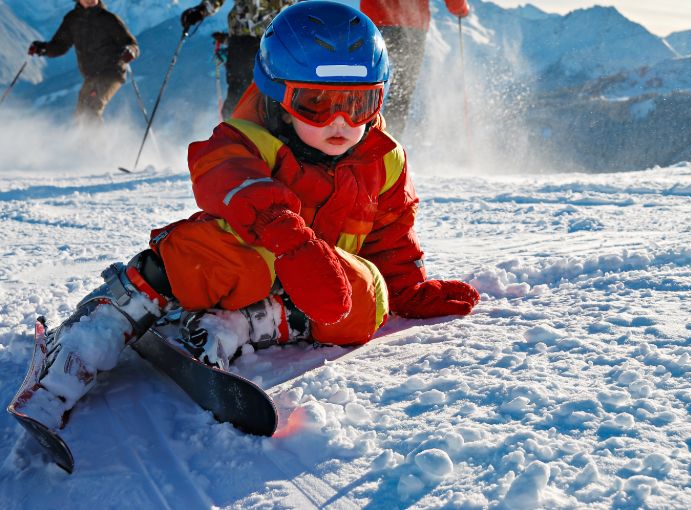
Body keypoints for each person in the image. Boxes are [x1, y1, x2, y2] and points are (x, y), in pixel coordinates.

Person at [16, 1, 480, 431]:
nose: (339, 122)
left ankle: (242, 324)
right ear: (280, 97)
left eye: (359, 103)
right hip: (256, 257)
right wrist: (289, 238)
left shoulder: (386, 161)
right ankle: (108, 318)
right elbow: (228, 177)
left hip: (310, 285)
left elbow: (390, 239)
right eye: (315, 104)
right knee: (227, 253)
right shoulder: (245, 141)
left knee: (365, 297)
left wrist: (407, 290)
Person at [360, 0, 470, 138]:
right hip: (411, 24)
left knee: (365, 85)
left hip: (374, 21)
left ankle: (358, 138)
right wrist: (459, 8)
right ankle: (388, 142)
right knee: (402, 89)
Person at [28, 0, 139, 124]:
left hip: (111, 72)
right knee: (81, 115)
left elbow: (131, 43)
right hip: (91, 75)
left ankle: (97, 144)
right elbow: (60, 46)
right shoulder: (72, 19)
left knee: (91, 108)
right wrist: (41, 49)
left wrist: (131, 51)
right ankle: (85, 143)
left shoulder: (108, 19)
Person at [180, 0, 296, 118]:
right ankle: (233, 127)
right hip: (258, 40)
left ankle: (242, 126)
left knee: (269, 94)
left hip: (267, 40)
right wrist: (202, 10)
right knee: (243, 92)